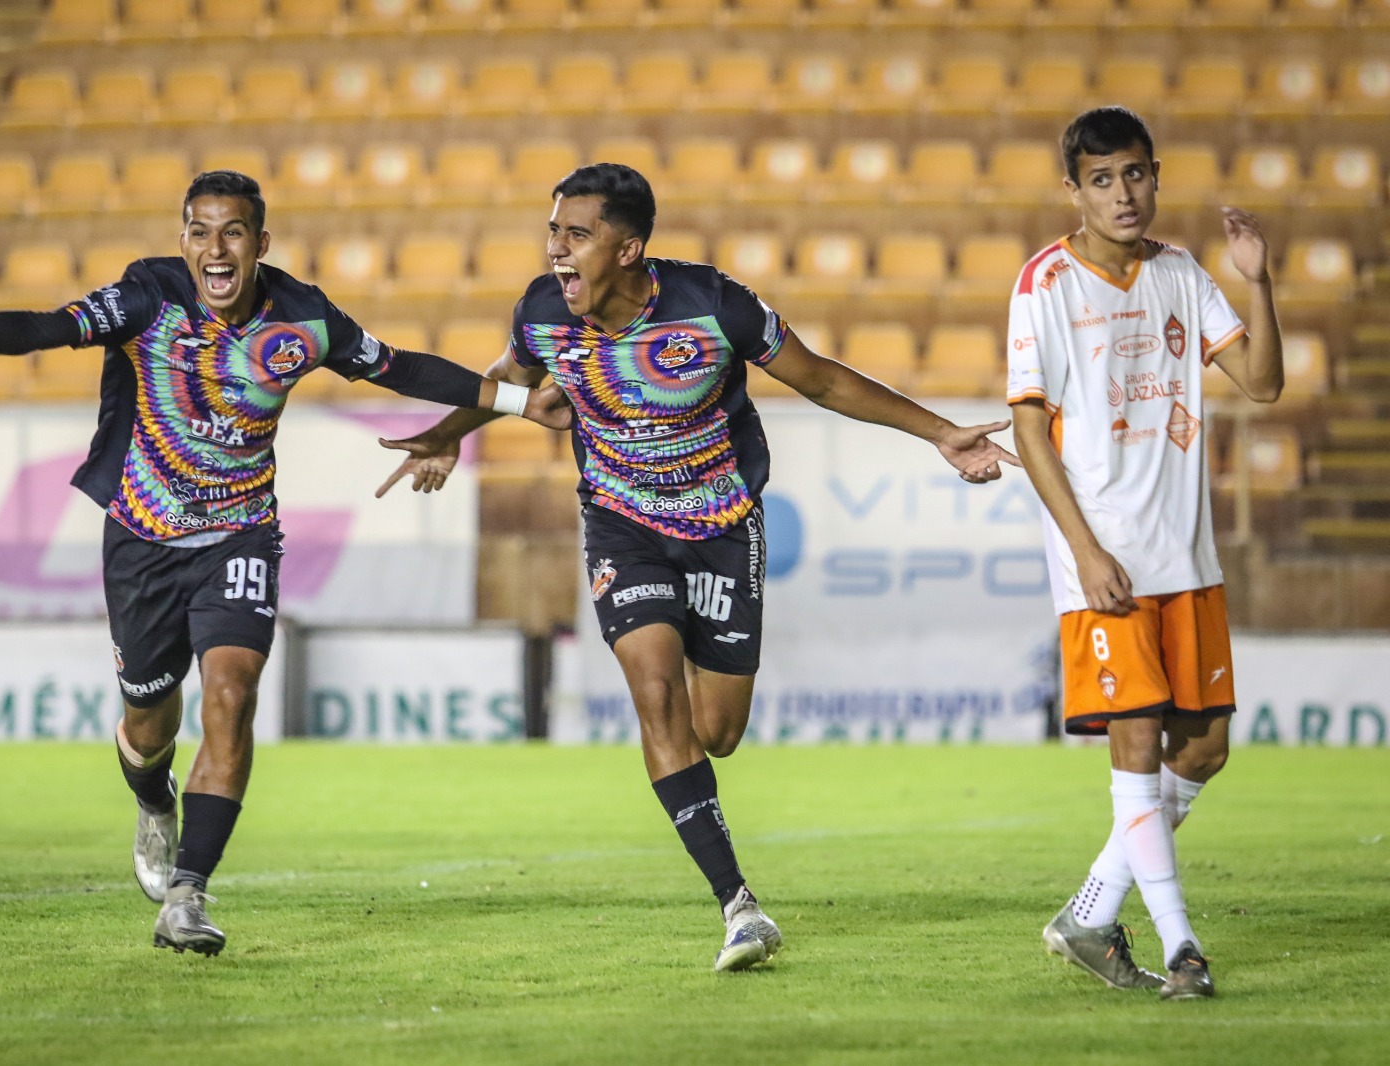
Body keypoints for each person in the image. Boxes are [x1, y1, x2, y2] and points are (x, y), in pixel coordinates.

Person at [0, 170, 567, 954]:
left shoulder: (303, 318)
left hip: (241, 535)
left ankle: (188, 896)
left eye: (232, 232)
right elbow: (48, 327)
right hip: (143, 541)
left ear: (260, 245)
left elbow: (396, 366)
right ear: (183, 242)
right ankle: (154, 802)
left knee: (231, 695)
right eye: (199, 231)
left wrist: (514, 403)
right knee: (147, 720)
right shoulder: (149, 298)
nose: (214, 247)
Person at [377, 163, 1020, 971]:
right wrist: (448, 433)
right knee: (654, 695)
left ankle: (690, 741)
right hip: (621, 523)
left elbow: (818, 378)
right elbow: (510, 380)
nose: (557, 251)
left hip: (721, 525)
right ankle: (740, 907)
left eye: (576, 235)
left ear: (628, 246)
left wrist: (939, 433)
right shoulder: (543, 313)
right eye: (553, 233)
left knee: (716, 730)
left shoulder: (714, 306)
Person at [1007, 108, 1283, 1000]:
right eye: (1101, 180)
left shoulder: (1181, 273)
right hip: (1106, 558)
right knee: (1134, 740)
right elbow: (1029, 430)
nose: (1122, 195)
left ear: (1155, 176)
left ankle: (1090, 913)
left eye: (1134, 175)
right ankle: (1183, 949)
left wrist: (1260, 283)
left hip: (1187, 557)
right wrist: (1082, 549)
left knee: (1201, 750)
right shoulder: (1045, 284)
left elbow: (1265, 383)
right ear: (1073, 190)